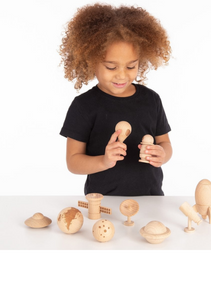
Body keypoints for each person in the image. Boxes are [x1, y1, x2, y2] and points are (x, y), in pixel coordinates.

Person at [59, 3, 173, 196]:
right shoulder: (84, 106)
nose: (122, 76)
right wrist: (104, 160)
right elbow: (73, 162)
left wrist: (163, 155)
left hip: (150, 199)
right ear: (91, 61)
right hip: (103, 203)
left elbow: (165, 144)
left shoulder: (151, 100)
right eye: (111, 67)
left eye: (131, 66)